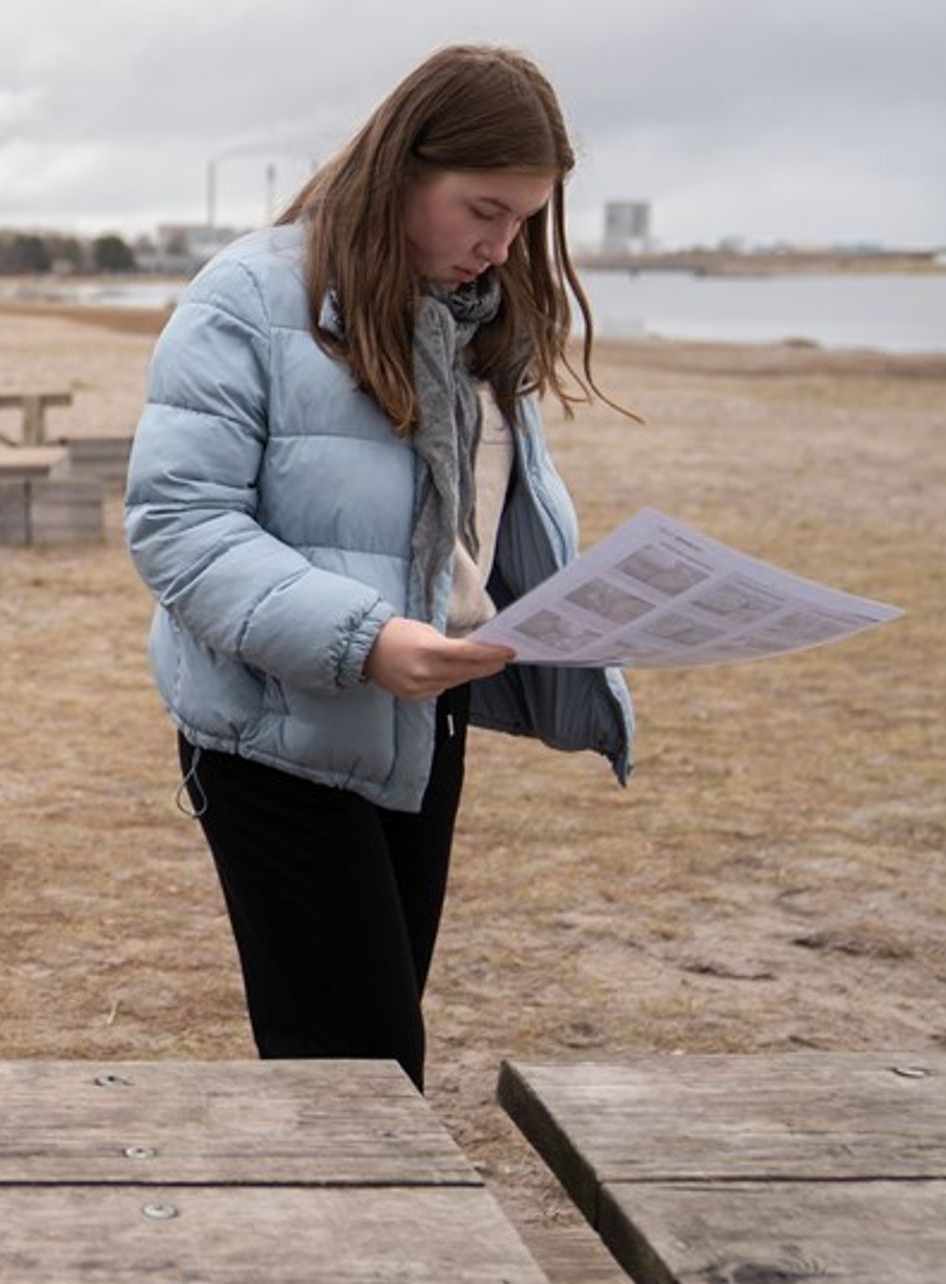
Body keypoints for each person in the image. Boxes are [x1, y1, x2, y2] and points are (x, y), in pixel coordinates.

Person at [123, 45, 635, 1090]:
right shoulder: (245, 297)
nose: (500, 246)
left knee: (377, 1053)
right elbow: (178, 525)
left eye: (524, 221)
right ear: (405, 163)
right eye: (483, 209)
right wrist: (362, 641)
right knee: (355, 1068)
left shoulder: (477, 324)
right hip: (273, 734)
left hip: (421, 723)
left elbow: (468, 535)